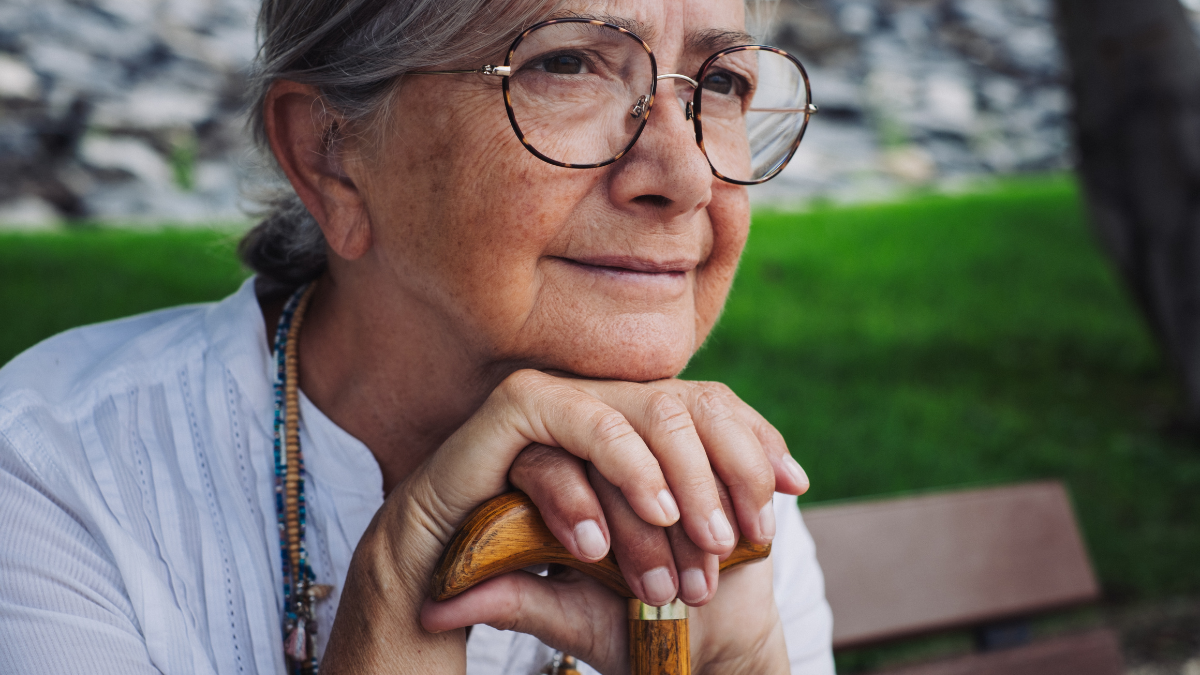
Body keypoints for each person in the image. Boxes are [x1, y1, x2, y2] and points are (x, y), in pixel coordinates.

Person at [0, 0, 833, 673]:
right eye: (567, 63)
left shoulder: (703, 496)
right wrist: (398, 587)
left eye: (719, 83)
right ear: (331, 154)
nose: (686, 175)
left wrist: (739, 663)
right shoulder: (53, 480)